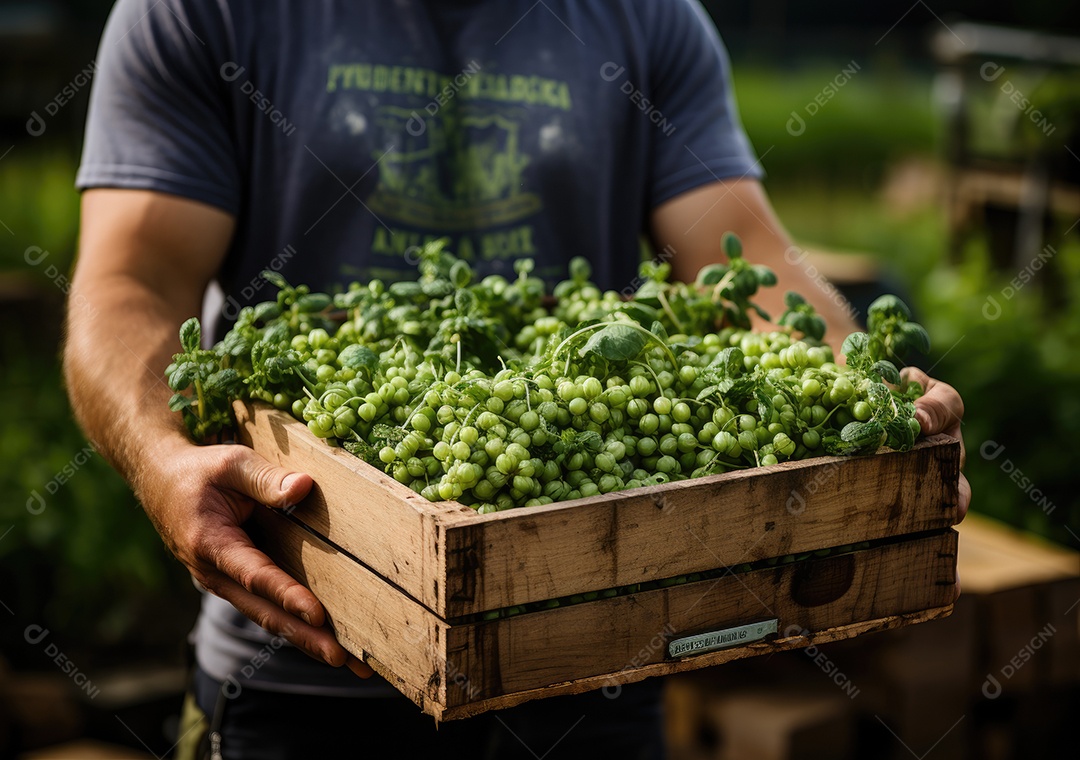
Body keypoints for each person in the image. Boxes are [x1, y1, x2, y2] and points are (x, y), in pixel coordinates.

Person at [65, 0, 970, 757]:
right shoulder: (201, 12)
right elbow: (131, 282)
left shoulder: (647, 17)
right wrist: (159, 459)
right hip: (299, 667)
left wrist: (863, 395)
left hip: (600, 655)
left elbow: (746, 258)